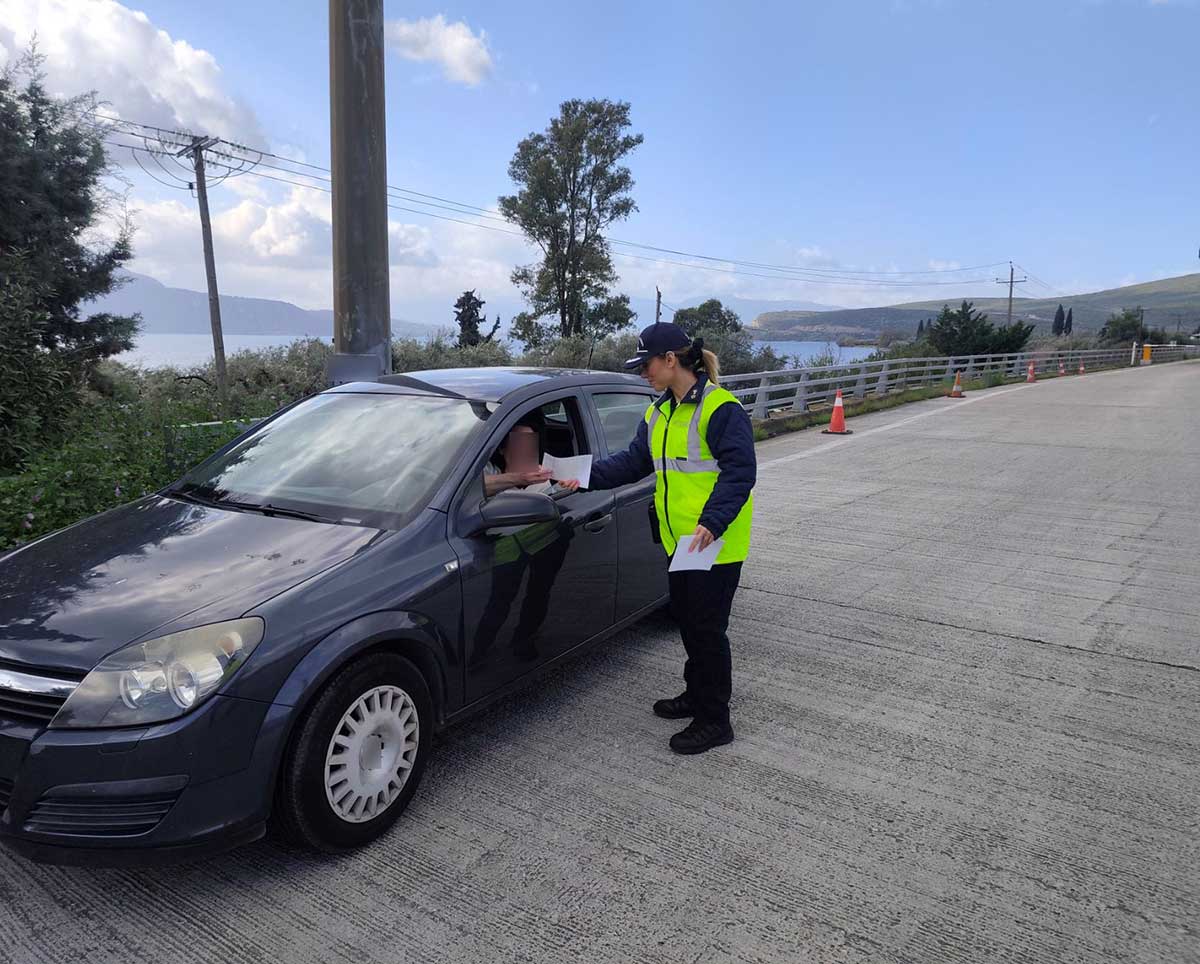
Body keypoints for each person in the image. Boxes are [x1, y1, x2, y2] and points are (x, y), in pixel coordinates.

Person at [588, 321, 756, 755]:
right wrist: (580, 476)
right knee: (688, 622)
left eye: (645, 364)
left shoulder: (721, 409)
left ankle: (715, 720)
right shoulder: (658, 412)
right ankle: (696, 694)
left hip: (715, 545)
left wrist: (713, 521)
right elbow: (631, 464)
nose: (642, 373)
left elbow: (741, 473)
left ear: (670, 360)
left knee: (707, 631)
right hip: (679, 543)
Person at [472, 415, 579, 664]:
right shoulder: (489, 471)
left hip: (545, 542)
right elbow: (473, 487)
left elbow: (565, 499)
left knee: (538, 594)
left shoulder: (546, 474)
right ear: (502, 447)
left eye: (530, 443)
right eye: (518, 442)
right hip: (505, 547)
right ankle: (479, 652)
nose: (524, 449)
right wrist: (517, 478)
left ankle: (523, 642)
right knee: (499, 602)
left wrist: (567, 484)